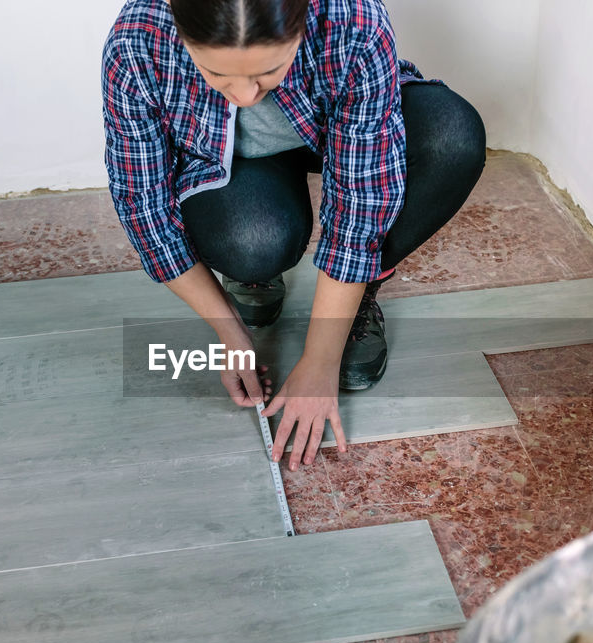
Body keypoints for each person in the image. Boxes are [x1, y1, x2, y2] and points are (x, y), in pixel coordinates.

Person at [102, 0, 485, 469]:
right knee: (253, 242)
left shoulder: (352, 18)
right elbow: (144, 207)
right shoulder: (138, 38)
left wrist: (321, 360)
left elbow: (361, 201)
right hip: (236, 161)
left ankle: (357, 294)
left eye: (269, 70)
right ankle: (254, 271)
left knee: (452, 137)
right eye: (216, 75)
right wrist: (228, 332)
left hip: (335, 130)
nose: (244, 96)